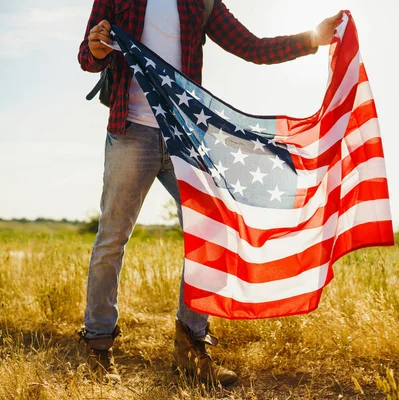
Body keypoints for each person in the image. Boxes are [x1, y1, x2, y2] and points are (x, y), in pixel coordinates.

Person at [77, 0, 343, 385]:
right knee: (112, 237)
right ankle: (98, 346)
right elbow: (87, 55)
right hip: (131, 131)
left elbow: (251, 47)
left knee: (211, 235)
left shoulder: (201, 2)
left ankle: (191, 346)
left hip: (186, 137)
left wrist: (312, 38)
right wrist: (98, 48)